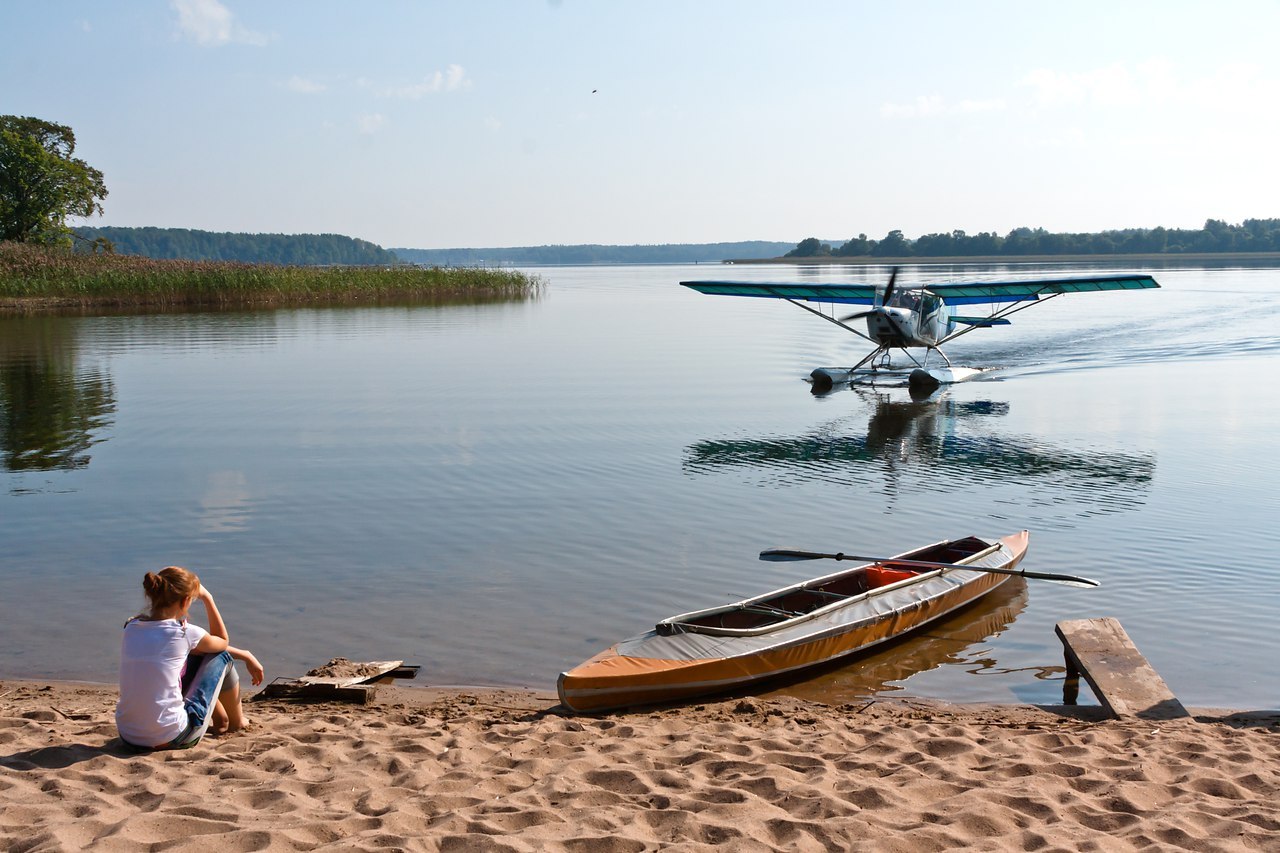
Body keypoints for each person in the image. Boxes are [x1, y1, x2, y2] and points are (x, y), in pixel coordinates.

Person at [116, 566, 264, 750]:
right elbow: (222, 643)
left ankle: (221, 720)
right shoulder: (185, 633)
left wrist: (244, 655)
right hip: (176, 737)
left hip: (129, 737)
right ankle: (237, 722)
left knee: (190, 659)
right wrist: (208, 598)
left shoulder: (131, 627)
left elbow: (193, 650)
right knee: (222, 656)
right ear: (186, 600)